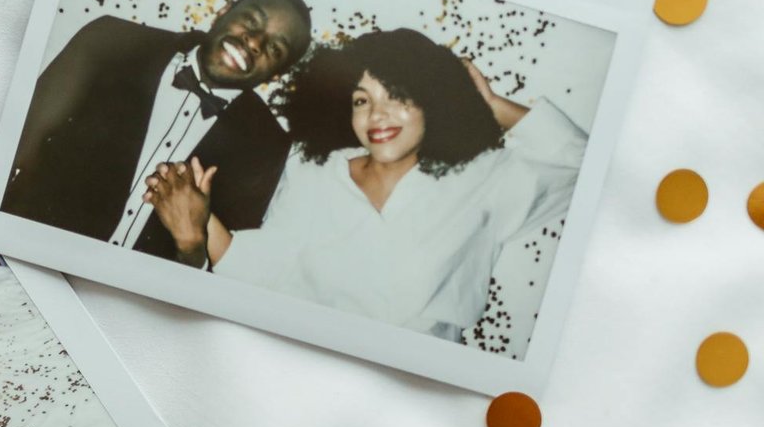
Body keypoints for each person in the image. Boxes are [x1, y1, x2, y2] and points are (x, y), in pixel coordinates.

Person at [143, 28, 588, 342]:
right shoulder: (312, 169)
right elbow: (271, 268)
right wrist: (198, 221)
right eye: (362, 100)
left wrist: (489, 104)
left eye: (398, 96)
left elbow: (582, 169)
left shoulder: (482, 178)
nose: (377, 115)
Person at [0, 0, 313, 263]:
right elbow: (15, 146)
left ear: (276, 74)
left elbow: (218, 273)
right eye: (251, 21)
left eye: (275, 49)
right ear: (223, 11)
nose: (255, 41)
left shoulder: (268, 146)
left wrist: (191, 243)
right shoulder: (110, 40)